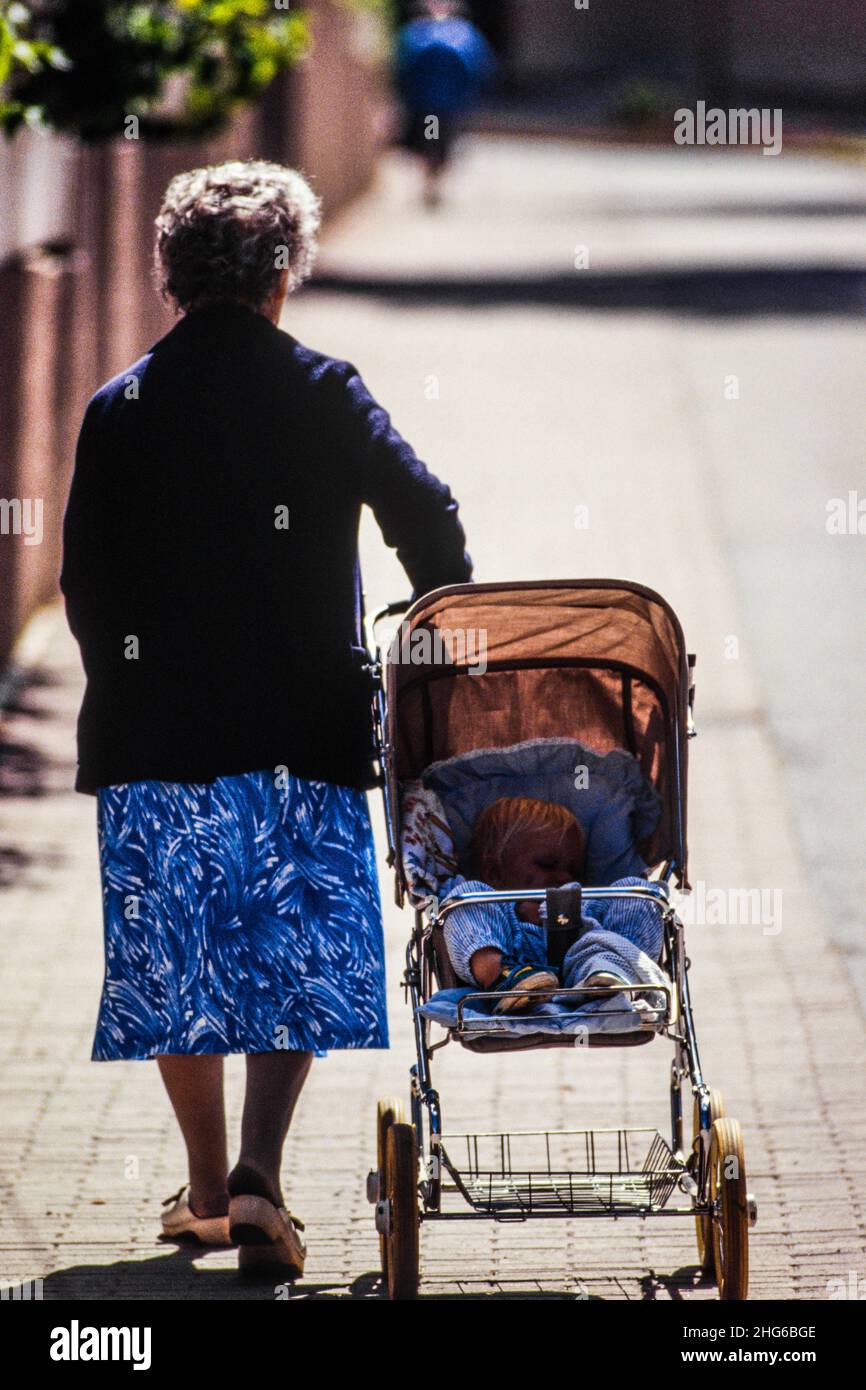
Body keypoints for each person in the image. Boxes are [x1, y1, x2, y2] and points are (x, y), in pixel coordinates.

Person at [60, 159, 473, 1279]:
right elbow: (427, 518)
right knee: (287, 948)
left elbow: (84, 582)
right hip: (302, 716)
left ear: (169, 274)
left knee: (176, 956)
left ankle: (202, 1188)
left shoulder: (120, 404)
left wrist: (128, 682)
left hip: (156, 731)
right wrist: (429, 630)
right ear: (284, 271)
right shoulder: (322, 388)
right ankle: (258, 1174)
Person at [441, 797, 663, 1013]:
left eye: (574, 872)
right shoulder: (494, 909)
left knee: (636, 890)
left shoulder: (587, 902)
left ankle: (612, 972)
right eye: (547, 865)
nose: (564, 877)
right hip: (515, 958)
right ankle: (501, 975)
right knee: (464, 897)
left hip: (588, 957)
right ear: (495, 872)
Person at [395, 0, 495, 206]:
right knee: (440, 143)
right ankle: (433, 182)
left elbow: (402, 67)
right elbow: (479, 67)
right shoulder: (464, 34)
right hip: (448, 103)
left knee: (429, 142)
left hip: (426, 103)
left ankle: (431, 182)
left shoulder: (416, 33)